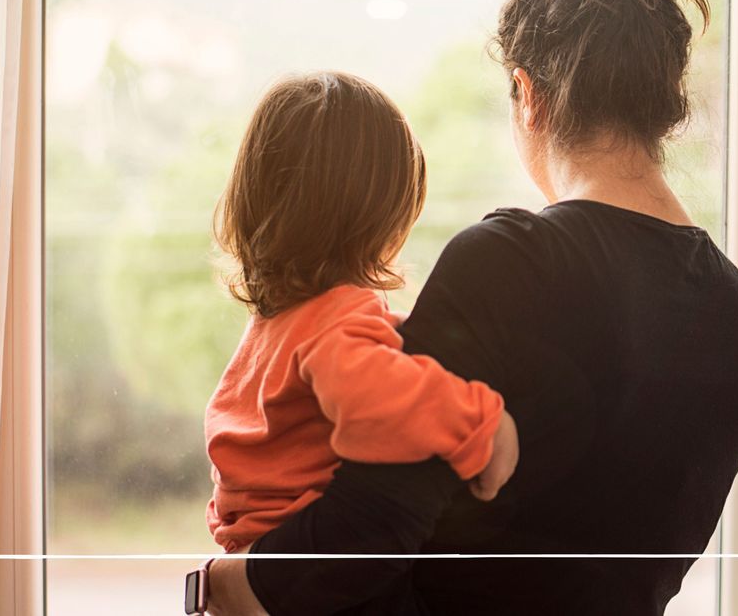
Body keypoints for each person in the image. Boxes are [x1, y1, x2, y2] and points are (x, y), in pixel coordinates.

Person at [205, 0, 738, 615]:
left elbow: (371, 524)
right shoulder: (736, 312)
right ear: (663, 101)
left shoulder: (511, 264)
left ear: (527, 95)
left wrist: (220, 583)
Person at [204, 72, 520, 554]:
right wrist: (481, 425)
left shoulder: (274, 324)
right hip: (306, 577)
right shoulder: (335, 322)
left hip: (256, 558)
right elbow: (384, 404)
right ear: (378, 221)